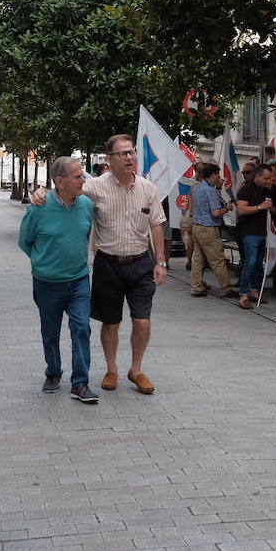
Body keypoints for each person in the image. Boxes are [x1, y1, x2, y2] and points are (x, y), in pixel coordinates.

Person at [85, 134, 168, 395]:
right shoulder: (95, 187)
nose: (130, 157)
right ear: (109, 159)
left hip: (141, 264)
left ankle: (136, 369)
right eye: (123, 154)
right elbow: (67, 194)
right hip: (108, 264)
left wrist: (161, 261)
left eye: (132, 152)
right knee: (110, 323)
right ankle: (112, 369)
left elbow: (157, 224)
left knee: (142, 321)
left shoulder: (147, 188)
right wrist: (44, 193)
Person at [18, 157, 97, 404]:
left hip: (79, 280)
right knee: (50, 332)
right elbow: (25, 241)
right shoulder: (38, 208)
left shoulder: (86, 205)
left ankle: (80, 384)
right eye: (77, 177)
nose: (83, 180)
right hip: (47, 283)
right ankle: (53, 372)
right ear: (59, 182)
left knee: (82, 328)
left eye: (82, 175)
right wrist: (43, 262)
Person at [188, 163, 236, 298]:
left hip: (197, 226)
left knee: (198, 259)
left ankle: (196, 287)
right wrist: (227, 208)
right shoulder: (209, 190)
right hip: (208, 229)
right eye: (218, 175)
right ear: (213, 175)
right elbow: (215, 212)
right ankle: (226, 288)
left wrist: (219, 188)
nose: (219, 177)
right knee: (218, 259)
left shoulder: (198, 188)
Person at [234, 164, 276, 309]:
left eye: (270, 179)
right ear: (257, 176)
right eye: (265, 178)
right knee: (250, 263)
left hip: (263, 232)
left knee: (259, 264)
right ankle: (243, 294)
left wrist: (272, 208)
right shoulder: (246, 190)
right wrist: (260, 207)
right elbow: (241, 209)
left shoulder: (268, 191)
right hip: (249, 232)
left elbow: (273, 209)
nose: (268, 181)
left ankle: (254, 290)